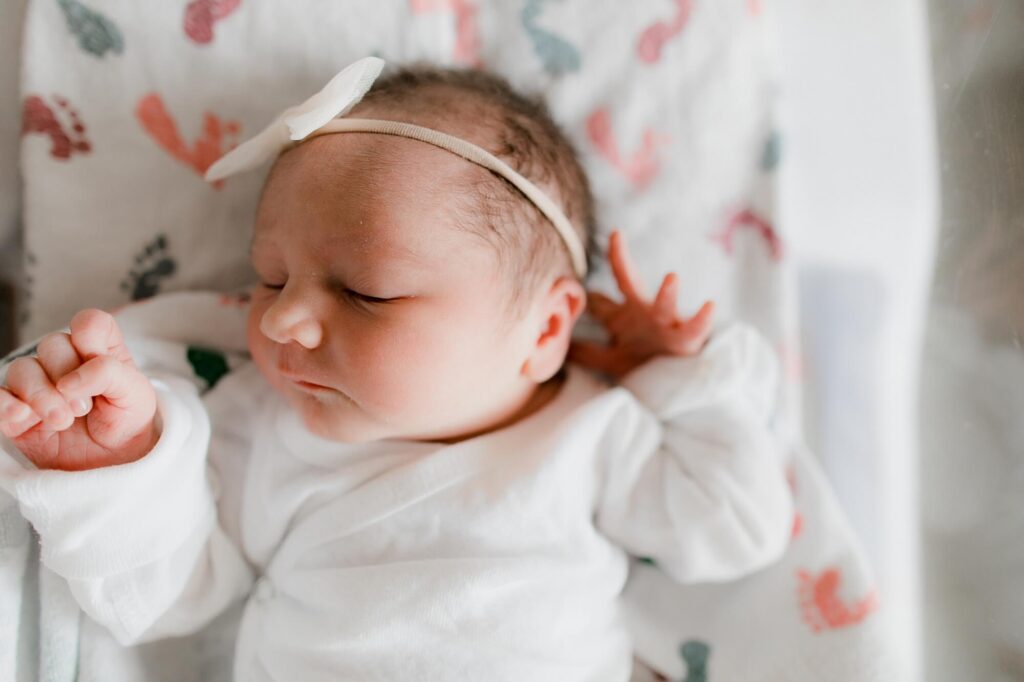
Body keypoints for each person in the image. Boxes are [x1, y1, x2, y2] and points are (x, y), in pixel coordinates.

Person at [0, 57, 792, 680]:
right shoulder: (264, 425)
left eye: (365, 291)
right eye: (270, 278)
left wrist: (679, 380)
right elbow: (172, 592)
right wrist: (121, 468)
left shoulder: (593, 432)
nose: (279, 318)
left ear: (547, 328)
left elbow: (735, 529)